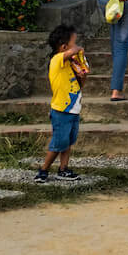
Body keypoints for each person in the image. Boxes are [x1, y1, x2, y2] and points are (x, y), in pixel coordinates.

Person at [35, 24, 88, 183]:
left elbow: (79, 85)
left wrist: (82, 75)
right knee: (58, 142)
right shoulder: (56, 60)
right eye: (74, 43)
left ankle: (63, 169)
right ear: (64, 47)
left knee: (68, 141)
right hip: (61, 110)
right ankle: (43, 170)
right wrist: (78, 50)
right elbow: (72, 52)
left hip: (73, 110)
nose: (77, 46)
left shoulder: (70, 65)